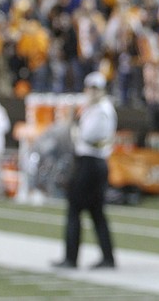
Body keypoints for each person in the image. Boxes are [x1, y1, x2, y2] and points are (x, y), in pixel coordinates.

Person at [53, 71, 117, 270]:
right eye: (90, 87)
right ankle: (107, 257)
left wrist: (74, 127)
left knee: (75, 209)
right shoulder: (94, 107)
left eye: (95, 88)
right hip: (91, 162)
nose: (91, 92)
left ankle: (71, 257)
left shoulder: (102, 110)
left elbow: (87, 135)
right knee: (96, 212)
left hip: (92, 162)